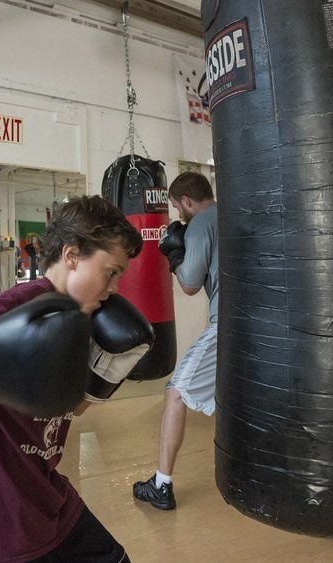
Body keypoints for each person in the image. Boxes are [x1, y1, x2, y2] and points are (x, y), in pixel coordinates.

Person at [0, 195, 144, 562]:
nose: (114, 287)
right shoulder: (27, 302)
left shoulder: (82, 317)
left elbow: (67, 406)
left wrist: (108, 371)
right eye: (111, 271)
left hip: (42, 489)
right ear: (72, 256)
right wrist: (2, 354)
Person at [132, 171, 218, 510]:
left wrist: (174, 255)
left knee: (175, 393)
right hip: (258, 324)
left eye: (176, 206)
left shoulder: (199, 224)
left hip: (227, 323)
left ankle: (161, 485)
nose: (177, 214)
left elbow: (190, 285)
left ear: (186, 201)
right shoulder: (231, 215)